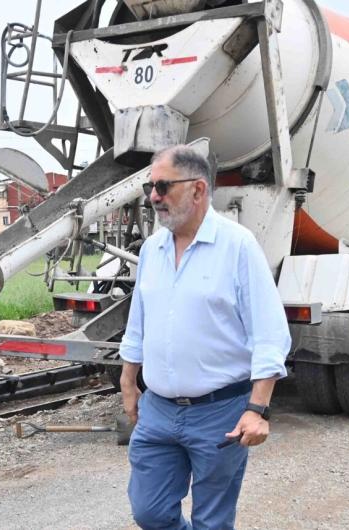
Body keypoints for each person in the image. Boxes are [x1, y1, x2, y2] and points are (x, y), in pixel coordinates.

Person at [118, 145, 291, 530]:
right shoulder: (152, 249)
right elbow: (138, 322)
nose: (153, 197)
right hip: (158, 410)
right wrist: (128, 379)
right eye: (151, 187)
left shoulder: (238, 246)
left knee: (212, 521)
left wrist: (257, 409)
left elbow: (269, 334)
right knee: (149, 510)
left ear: (198, 190)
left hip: (220, 413)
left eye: (162, 186)